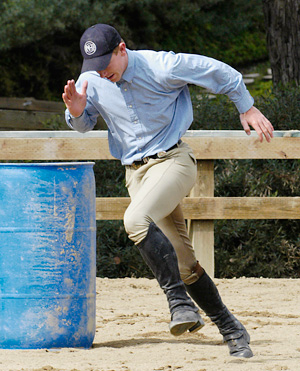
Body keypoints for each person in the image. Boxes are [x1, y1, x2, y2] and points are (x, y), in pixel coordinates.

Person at [63, 23, 274, 359]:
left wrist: (246, 106)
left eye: (107, 64)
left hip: (173, 161)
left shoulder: (162, 66)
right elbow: (83, 122)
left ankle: (178, 301)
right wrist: (75, 113)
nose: (102, 73)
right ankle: (232, 329)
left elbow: (219, 72)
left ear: (122, 49)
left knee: (134, 220)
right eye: (95, 67)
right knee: (185, 262)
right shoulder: (92, 79)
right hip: (137, 176)